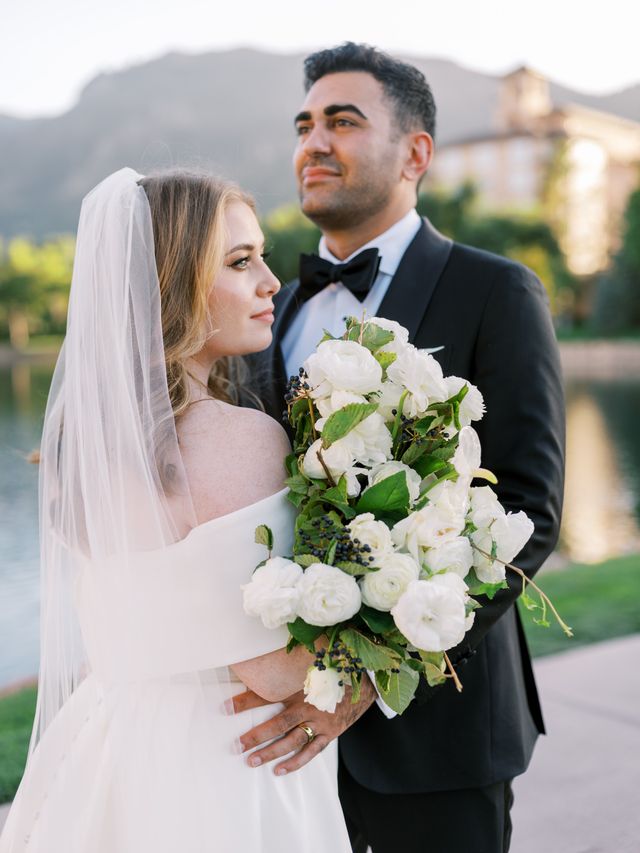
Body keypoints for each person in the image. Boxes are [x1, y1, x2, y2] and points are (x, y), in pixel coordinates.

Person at [237, 43, 566, 853]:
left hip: (440, 737)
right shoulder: (268, 307)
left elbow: (529, 505)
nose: (314, 141)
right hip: (282, 736)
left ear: (416, 152)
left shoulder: (496, 289)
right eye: (305, 123)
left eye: (343, 122)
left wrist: (361, 675)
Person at [0, 168, 352, 852]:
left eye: (263, 258)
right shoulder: (243, 438)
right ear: (174, 283)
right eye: (240, 262)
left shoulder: (82, 450)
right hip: (227, 759)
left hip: (110, 741)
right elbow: (275, 672)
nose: (270, 282)